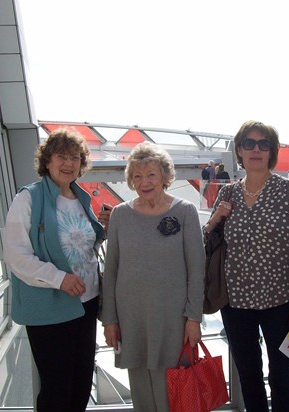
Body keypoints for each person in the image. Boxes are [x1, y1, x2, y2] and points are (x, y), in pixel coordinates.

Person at [203, 120, 289, 412]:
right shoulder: (227, 194)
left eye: (263, 144)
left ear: (272, 152)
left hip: (281, 303)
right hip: (235, 303)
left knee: (283, 376)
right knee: (249, 377)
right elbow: (207, 241)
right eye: (248, 144)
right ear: (239, 150)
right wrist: (215, 219)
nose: (256, 149)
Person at [3, 128, 109, 412]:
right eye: (61, 156)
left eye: (75, 158)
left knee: (81, 384)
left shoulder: (81, 198)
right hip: (51, 308)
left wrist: (105, 230)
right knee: (56, 391)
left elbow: (82, 246)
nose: (68, 163)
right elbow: (15, 255)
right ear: (47, 160)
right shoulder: (28, 198)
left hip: (85, 304)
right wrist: (58, 279)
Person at [101, 142, 205, 412]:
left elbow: (196, 269)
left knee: (175, 394)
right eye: (137, 175)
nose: (144, 181)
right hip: (131, 319)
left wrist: (194, 318)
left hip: (173, 319)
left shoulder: (185, 212)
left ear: (165, 177)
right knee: (142, 396)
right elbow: (110, 270)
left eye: (151, 174)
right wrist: (110, 320)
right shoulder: (121, 215)